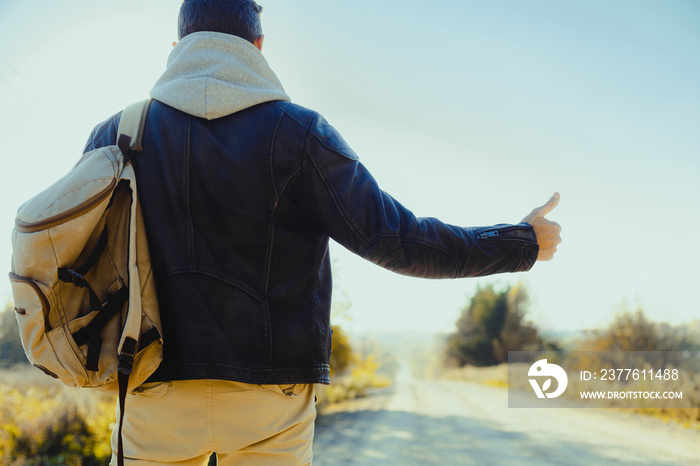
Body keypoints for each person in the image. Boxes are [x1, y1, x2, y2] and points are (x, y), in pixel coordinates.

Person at [83, 1, 562, 464]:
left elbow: (76, 260)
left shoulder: (117, 136)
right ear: (258, 45)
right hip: (273, 399)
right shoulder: (301, 134)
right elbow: (398, 240)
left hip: (152, 386)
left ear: (177, 45)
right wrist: (521, 243)